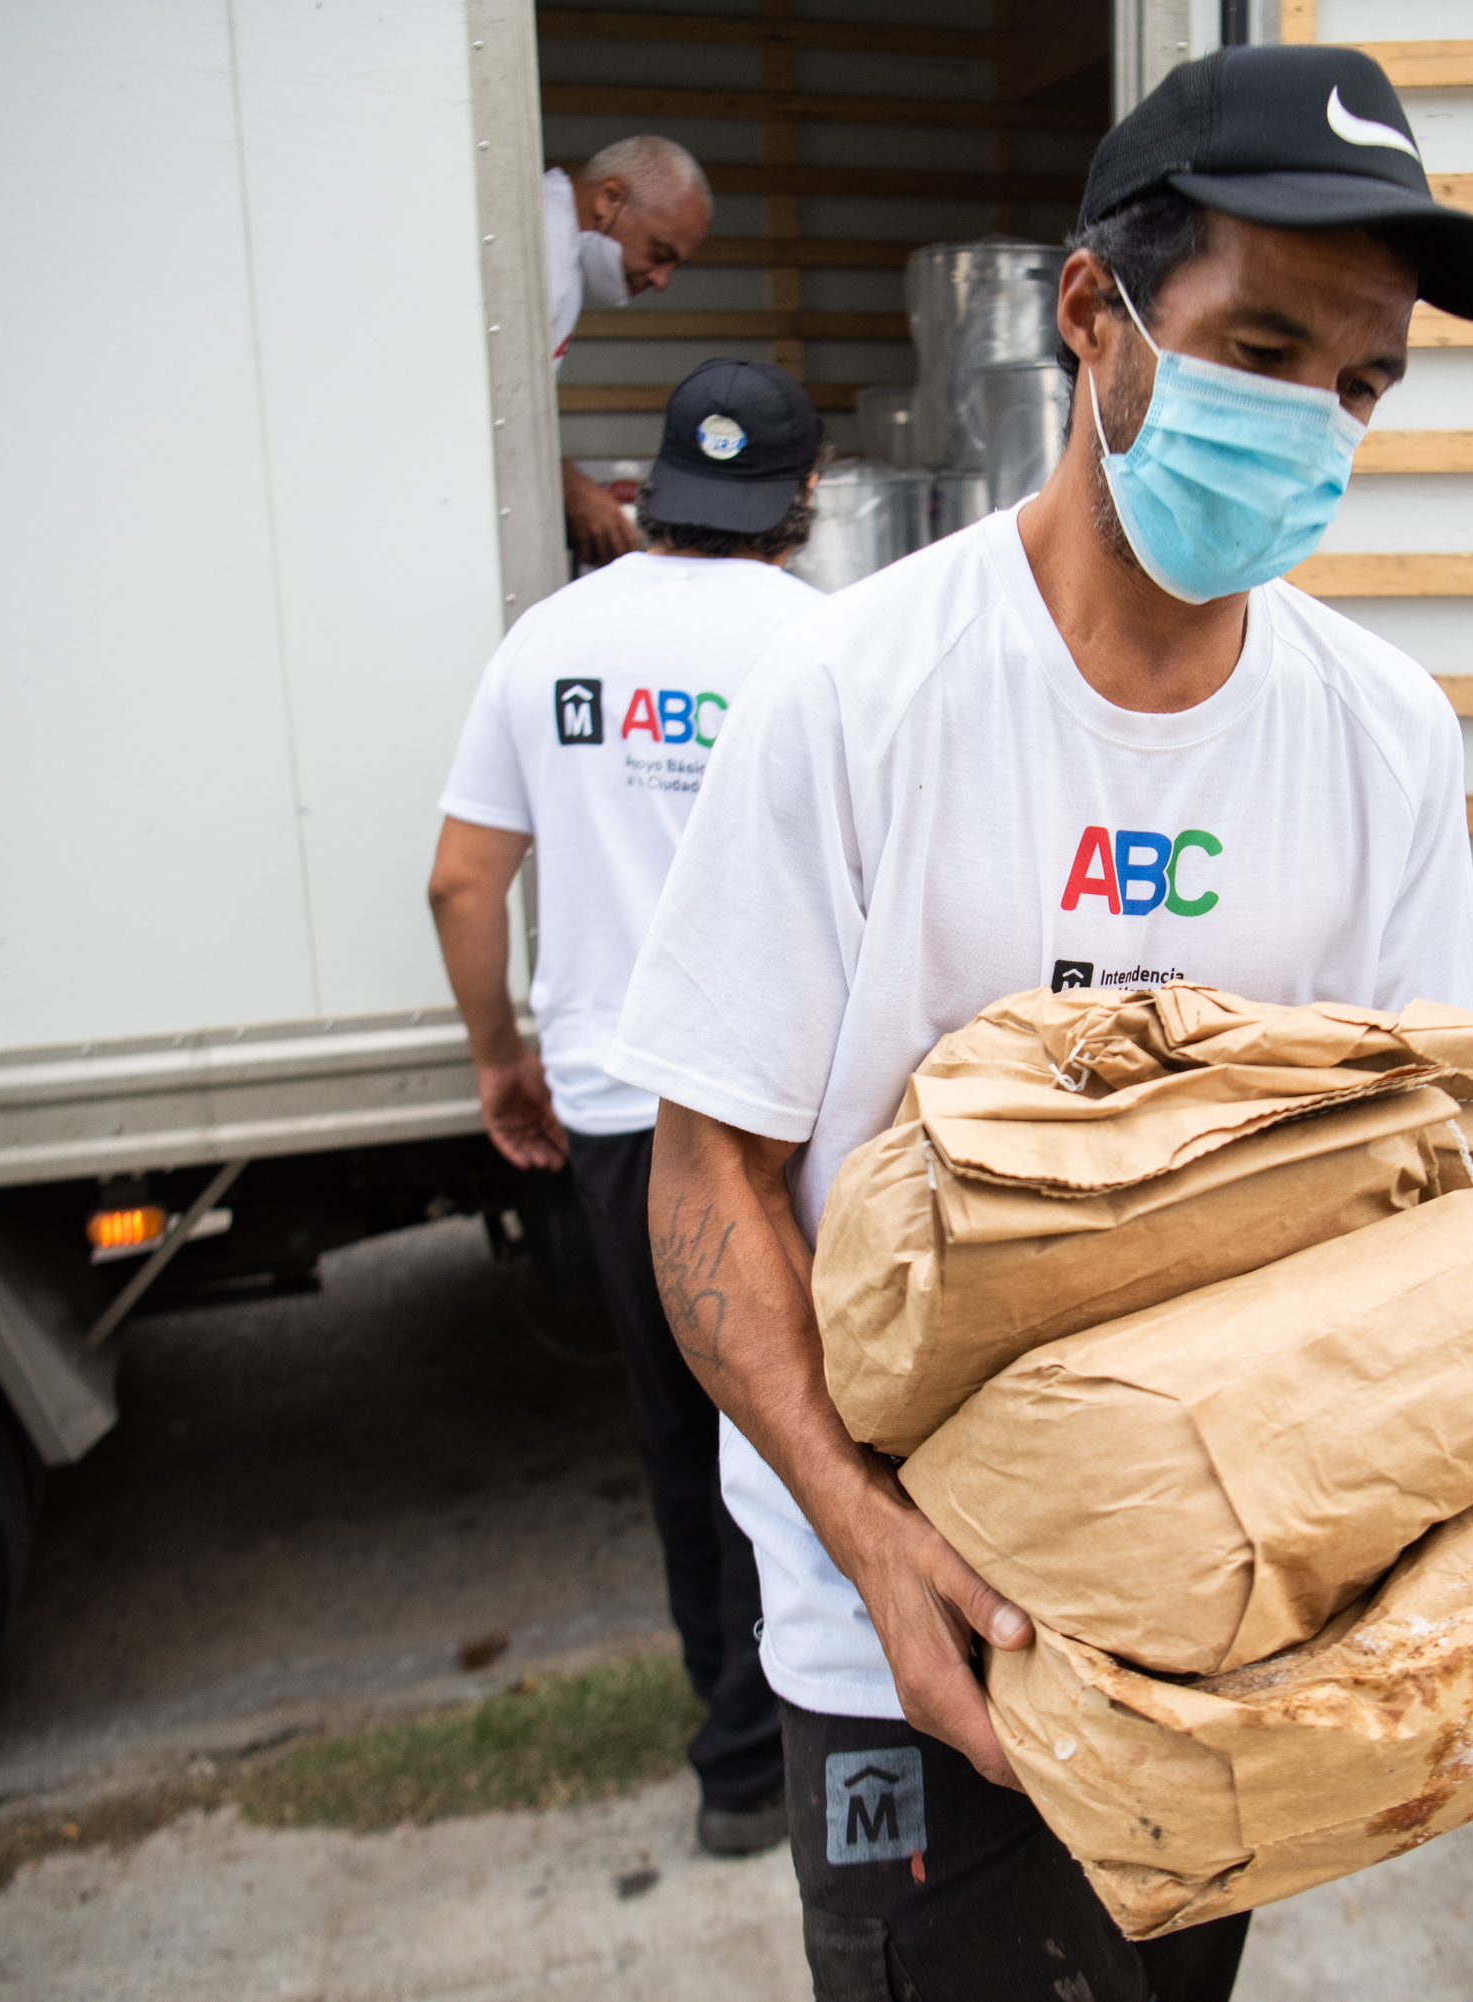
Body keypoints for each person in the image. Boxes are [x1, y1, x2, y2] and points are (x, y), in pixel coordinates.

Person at [599, 45, 1473, 2000]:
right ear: (1092, 311)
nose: (1316, 426)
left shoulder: (1382, 736)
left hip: (1211, 1622)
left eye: (1361, 384)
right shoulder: (855, 699)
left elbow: (1429, 1179)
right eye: (1265, 349)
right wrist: (866, 1534)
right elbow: (708, 1181)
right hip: (908, 1635)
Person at [427, 359, 825, 1857]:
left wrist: (499, 1060)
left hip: (612, 1114)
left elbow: (462, 879)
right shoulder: (823, 639)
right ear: (801, 496)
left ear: (655, 484)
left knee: (679, 1436)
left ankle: (730, 1763)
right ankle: (808, 1738)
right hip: (778, 1113)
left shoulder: (545, 645)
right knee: (804, 1430)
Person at [546, 136, 716, 567]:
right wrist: (568, 488)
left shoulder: (560, 248)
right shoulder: (540, 247)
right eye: (660, 254)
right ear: (610, 198)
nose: (662, 281)